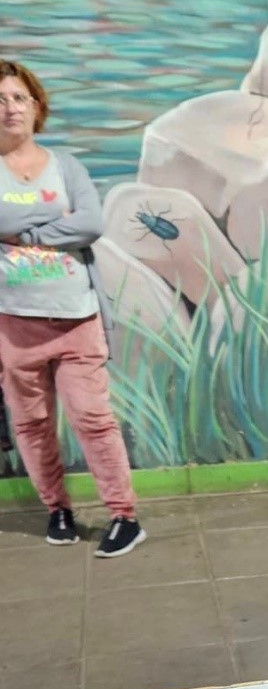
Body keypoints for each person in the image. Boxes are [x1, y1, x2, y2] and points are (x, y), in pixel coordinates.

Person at [0, 60, 145, 556]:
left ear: (36, 106)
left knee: (93, 419)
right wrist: (51, 217)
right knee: (31, 424)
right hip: (14, 324)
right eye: (0, 99)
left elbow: (91, 222)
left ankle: (124, 516)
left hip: (77, 317)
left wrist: (23, 229)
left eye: (19, 97)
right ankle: (57, 509)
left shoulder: (67, 166)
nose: (10, 108)